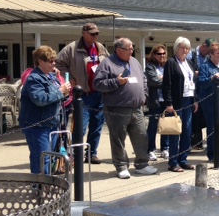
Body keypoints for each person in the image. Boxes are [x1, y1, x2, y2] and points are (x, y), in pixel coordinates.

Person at [93, 38, 158, 179]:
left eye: (132, 48)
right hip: (117, 108)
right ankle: (121, 166)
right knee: (118, 139)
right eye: (128, 49)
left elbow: (143, 79)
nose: (131, 51)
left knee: (141, 136)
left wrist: (144, 94)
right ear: (118, 50)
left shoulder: (134, 62)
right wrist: (116, 81)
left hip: (137, 108)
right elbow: (97, 84)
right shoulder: (107, 64)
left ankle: (142, 164)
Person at [56, 22, 109, 164]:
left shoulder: (100, 48)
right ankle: (75, 154)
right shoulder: (72, 48)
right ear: (84, 33)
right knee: (80, 127)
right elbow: (59, 64)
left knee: (97, 126)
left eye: (96, 34)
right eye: (92, 34)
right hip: (83, 94)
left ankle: (92, 154)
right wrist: (69, 78)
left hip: (99, 93)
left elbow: (108, 64)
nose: (95, 36)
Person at [18, 46, 71, 174]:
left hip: (51, 123)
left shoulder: (51, 77)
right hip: (37, 125)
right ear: (40, 61)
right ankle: (39, 184)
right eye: (50, 61)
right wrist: (61, 91)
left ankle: (46, 183)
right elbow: (40, 99)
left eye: (54, 61)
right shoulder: (34, 78)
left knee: (49, 157)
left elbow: (57, 98)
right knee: (41, 158)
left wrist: (65, 93)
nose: (54, 63)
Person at [163, 37, 198, 172]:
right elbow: (166, 85)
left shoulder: (189, 63)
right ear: (177, 48)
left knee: (187, 131)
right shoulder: (171, 63)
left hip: (189, 99)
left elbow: (194, 82)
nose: (185, 50)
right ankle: (173, 162)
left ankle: (183, 159)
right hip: (177, 101)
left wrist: (195, 100)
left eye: (187, 48)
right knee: (176, 132)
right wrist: (169, 103)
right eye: (183, 48)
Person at [144, 45, 169, 161]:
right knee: (153, 126)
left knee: (166, 125)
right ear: (154, 55)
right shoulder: (150, 66)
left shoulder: (168, 65)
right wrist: (166, 80)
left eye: (163, 53)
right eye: (159, 54)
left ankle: (165, 148)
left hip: (167, 100)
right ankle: (151, 149)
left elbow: (172, 79)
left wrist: (162, 78)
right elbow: (153, 81)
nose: (162, 56)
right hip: (155, 101)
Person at [190, 38, 213, 149]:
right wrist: (194, 73)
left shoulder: (208, 57)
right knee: (195, 118)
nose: (209, 53)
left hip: (204, 90)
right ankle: (196, 143)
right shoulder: (192, 54)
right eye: (208, 50)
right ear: (204, 46)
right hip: (193, 89)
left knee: (203, 118)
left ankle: (208, 142)